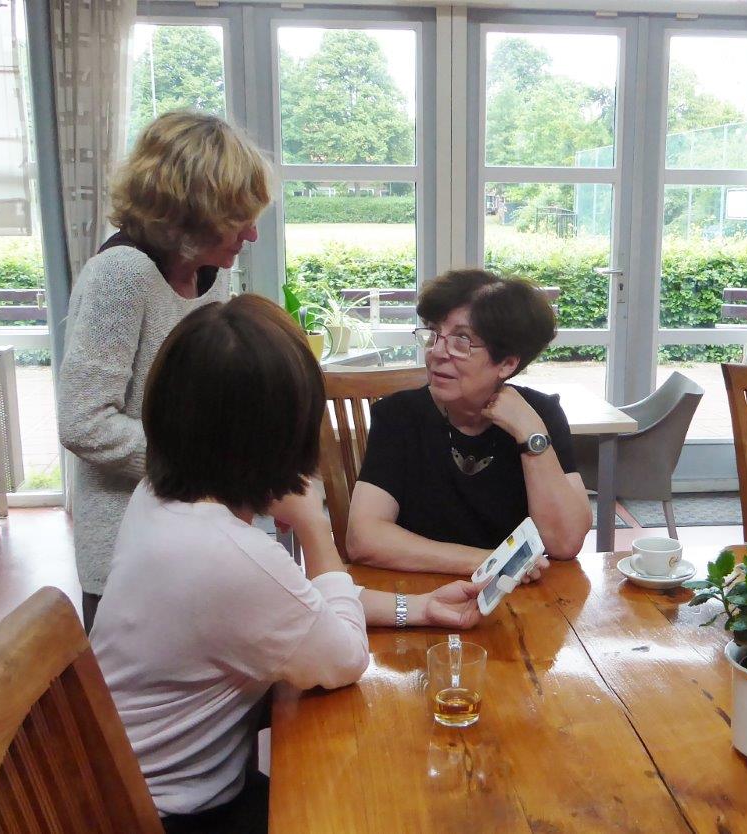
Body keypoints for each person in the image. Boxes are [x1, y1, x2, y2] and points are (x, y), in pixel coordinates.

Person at [90, 295, 483, 832]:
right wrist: (315, 525)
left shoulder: (160, 499)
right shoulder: (224, 554)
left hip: (121, 785)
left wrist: (417, 608)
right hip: (170, 815)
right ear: (282, 433)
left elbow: (292, 605)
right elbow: (344, 658)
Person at [58, 111, 269, 630]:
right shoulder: (121, 276)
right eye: (236, 218)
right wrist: (206, 470)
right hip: (126, 552)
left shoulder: (210, 273)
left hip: (198, 532)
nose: (252, 233)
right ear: (188, 215)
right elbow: (84, 421)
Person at [346, 268, 592, 574]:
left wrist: (530, 434)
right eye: (434, 334)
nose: (437, 352)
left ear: (507, 363)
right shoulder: (399, 416)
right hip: (419, 590)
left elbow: (565, 543)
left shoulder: (540, 414)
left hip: (521, 596)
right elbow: (363, 538)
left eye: (461, 340)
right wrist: (491, 563)